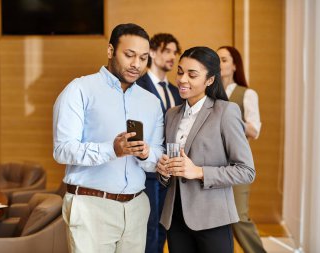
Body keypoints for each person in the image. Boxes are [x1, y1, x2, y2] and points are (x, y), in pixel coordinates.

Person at [53, 23, 164, 253]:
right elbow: (62, 150)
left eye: (143, 58)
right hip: (91, 206)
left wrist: (146, 153)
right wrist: (112, 149)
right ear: (111, 51)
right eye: (129, 55)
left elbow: (157, 156)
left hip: (136, 207)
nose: (136, 64)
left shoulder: (151, 102)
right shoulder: (80, 89)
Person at [156, 46, 256, 253]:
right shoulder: (171, 114)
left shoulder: (225, 112)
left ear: (210, 80)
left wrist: (199, 172)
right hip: (175, 219)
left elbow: (246, 171)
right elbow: (170, 168)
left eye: (192, 75)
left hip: (213, 218)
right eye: (181, 72)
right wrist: (164, 170)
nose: (183, 79)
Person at [136, 33, 182, 253]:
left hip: (171, 170)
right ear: (152, 53)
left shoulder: (176, 91)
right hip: (147, 169)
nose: (172, 56)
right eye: (167, 51)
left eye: (175, 52)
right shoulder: (138, 86)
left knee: (165, 224)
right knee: (149, 225)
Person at [217, 46, 264, 253]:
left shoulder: (247, 94)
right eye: (216, 59)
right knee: (216, 221)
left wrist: (232, 118)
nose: (220, 63)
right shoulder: (209, 93)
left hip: (237, 165)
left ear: (235, 65)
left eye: (224, 59)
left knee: (238, 218)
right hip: (212, 165)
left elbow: (254, 131)